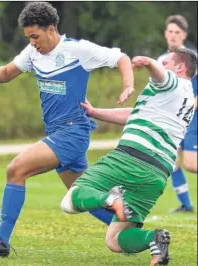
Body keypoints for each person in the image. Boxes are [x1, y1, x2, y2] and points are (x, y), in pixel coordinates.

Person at [0, 2, 134, 257]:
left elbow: (121, 58)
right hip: (58, 133)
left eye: (35, 36)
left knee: (15, 169)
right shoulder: (33, 52)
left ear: (51, 29)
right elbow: (8, 71)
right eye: (28, 37)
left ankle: (1, 240)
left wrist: (127, 86)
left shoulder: (78, 50)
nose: (32, 42)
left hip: (72, 132)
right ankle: (130, 228)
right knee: (81, 196)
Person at [61, 47, 197, 266]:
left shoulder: (174, 83)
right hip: (157, 174)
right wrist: (95, 112)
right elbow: (135, 114)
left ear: (180, 67)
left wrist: (149, 62)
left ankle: (110, 199)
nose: (163, 67)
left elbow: (163, 77)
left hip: (130, 159)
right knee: (114, 240)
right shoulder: (187, 100)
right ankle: (153, 239)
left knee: (70, 199)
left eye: (167, 63)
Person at [158, 15, 197, 213]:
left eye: (177, 32)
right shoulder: (161, 61)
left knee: (191, 164)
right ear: (166, 34)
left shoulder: (192, 59)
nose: (173, 36)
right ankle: (186, 205)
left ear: (184, 35)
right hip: (172, 119)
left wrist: (190, 105)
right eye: (170, 31)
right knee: (171, 162)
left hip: (192, 118)